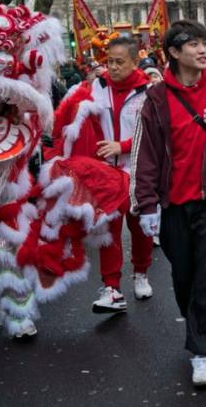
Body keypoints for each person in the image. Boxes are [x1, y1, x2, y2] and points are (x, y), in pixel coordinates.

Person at [130, 19, 206, 387]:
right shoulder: (155, 99)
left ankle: (203, 351)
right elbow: (145, 156)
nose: (203, 50)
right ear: (174, 53)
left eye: (205, 43)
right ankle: (196, 319)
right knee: (183, 274)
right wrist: (146, 205)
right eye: (193, 44)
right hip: (172, 205)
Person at [49, 36, 155, 313]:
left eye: (120, 62)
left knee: (140, 228)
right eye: (110, 62)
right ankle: (112, 288)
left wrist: (123, 146)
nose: (114, 67)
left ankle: (141, 272)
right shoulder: (96, 86)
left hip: (139, 172)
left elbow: (158, 135)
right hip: (105, 173)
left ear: (135, 61)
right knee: (108, 229)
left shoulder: (151, 91)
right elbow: (76, 118)